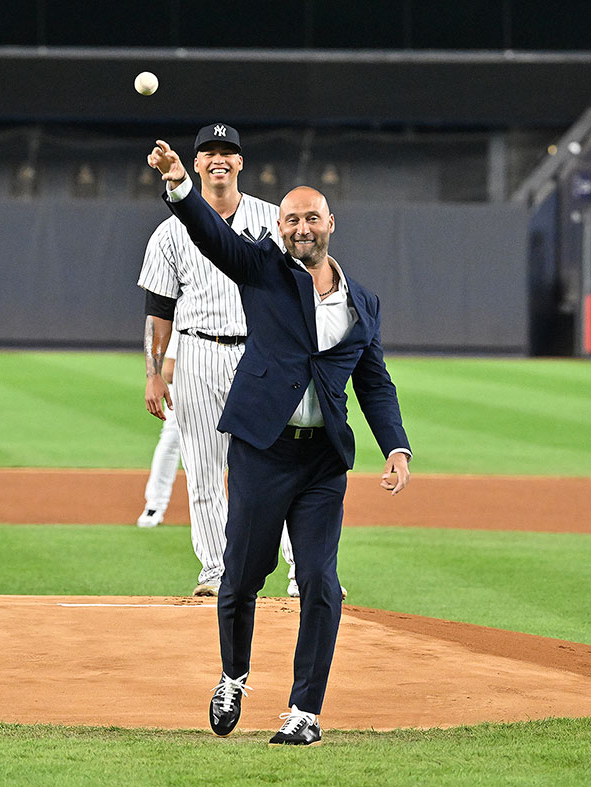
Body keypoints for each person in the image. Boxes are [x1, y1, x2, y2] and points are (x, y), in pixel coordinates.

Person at [147, 139, 411, 746]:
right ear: (279, 227)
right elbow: (213, 237)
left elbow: (374, 381)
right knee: (240, 576)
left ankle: (305, 712)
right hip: (263, 451)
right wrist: (178, 183)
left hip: (322, 462)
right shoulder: (263, 272)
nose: (299, 228)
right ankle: (233, 676)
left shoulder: (362, 301)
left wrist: (396, 446)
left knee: (320, 579)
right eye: (290, 219)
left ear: (330, 225)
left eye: (310, 217)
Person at [138, 123, 297, 597]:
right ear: (197, 163)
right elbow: (159, 310)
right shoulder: (170, 233)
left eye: (228, 152)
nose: (218, 160)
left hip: (262, 353)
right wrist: (152, 373)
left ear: (241, 162)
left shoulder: (275, 221)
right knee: (204, 469)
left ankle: (300, 572)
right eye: (209, 152)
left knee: (281, 467)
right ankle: (215, 571)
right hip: (199, 354)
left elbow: (301, 291)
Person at [137, 328, 181, 528]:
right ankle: (155, 504)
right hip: (185, 387)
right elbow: (169, 371)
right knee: (171, 441)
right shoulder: (188, 309)